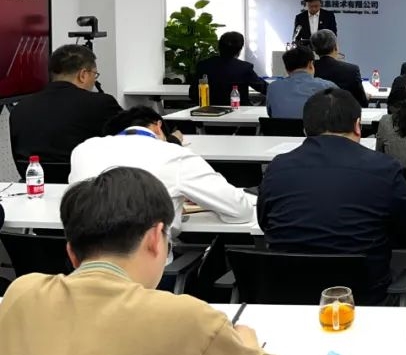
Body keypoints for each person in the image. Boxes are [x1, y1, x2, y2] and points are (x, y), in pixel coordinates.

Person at [0, 167, 306, 355]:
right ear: (155, 238)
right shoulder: (181, 319)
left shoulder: (21, 295)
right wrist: (249, 346)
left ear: (71, 253)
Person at [258, 88, 406, 304]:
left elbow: (264, 224)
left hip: (286, 299)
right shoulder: (384, 167)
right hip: (364, 300)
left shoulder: (277, 167)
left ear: (305, 129)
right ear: (358, 126)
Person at [69, 107, 256, 246]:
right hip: (149, 268)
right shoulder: (175, 154)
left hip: (84, 263)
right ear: (158, 126)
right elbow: (239, 211)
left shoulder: (83, 149)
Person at [9, 44, 122, 166]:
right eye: (94, 75)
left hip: (34, 177)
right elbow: (131, 139)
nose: (94, 81)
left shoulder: (19, 109)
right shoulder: (101, 104)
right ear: (83, 75)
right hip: (88, 177)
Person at [188, 31, 267, 106]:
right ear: (239, 50)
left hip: (209, 111)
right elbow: (263, 88)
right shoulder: (244, 67)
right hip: (238, 111)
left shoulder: (203, 65)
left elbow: (193, 94)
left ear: (219, 47)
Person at [265, 46, 336, 119]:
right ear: (310, 64)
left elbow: (271, 114)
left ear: (286, 69)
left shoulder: (273, 88)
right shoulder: (328, 87)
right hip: (315, 126)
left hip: (281, 127)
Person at [311, 29, 369, 107]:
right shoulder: (352, 70)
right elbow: (362, 103)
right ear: (336, 47)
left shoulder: (309, 69)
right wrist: (366, 97)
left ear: (315, 50)